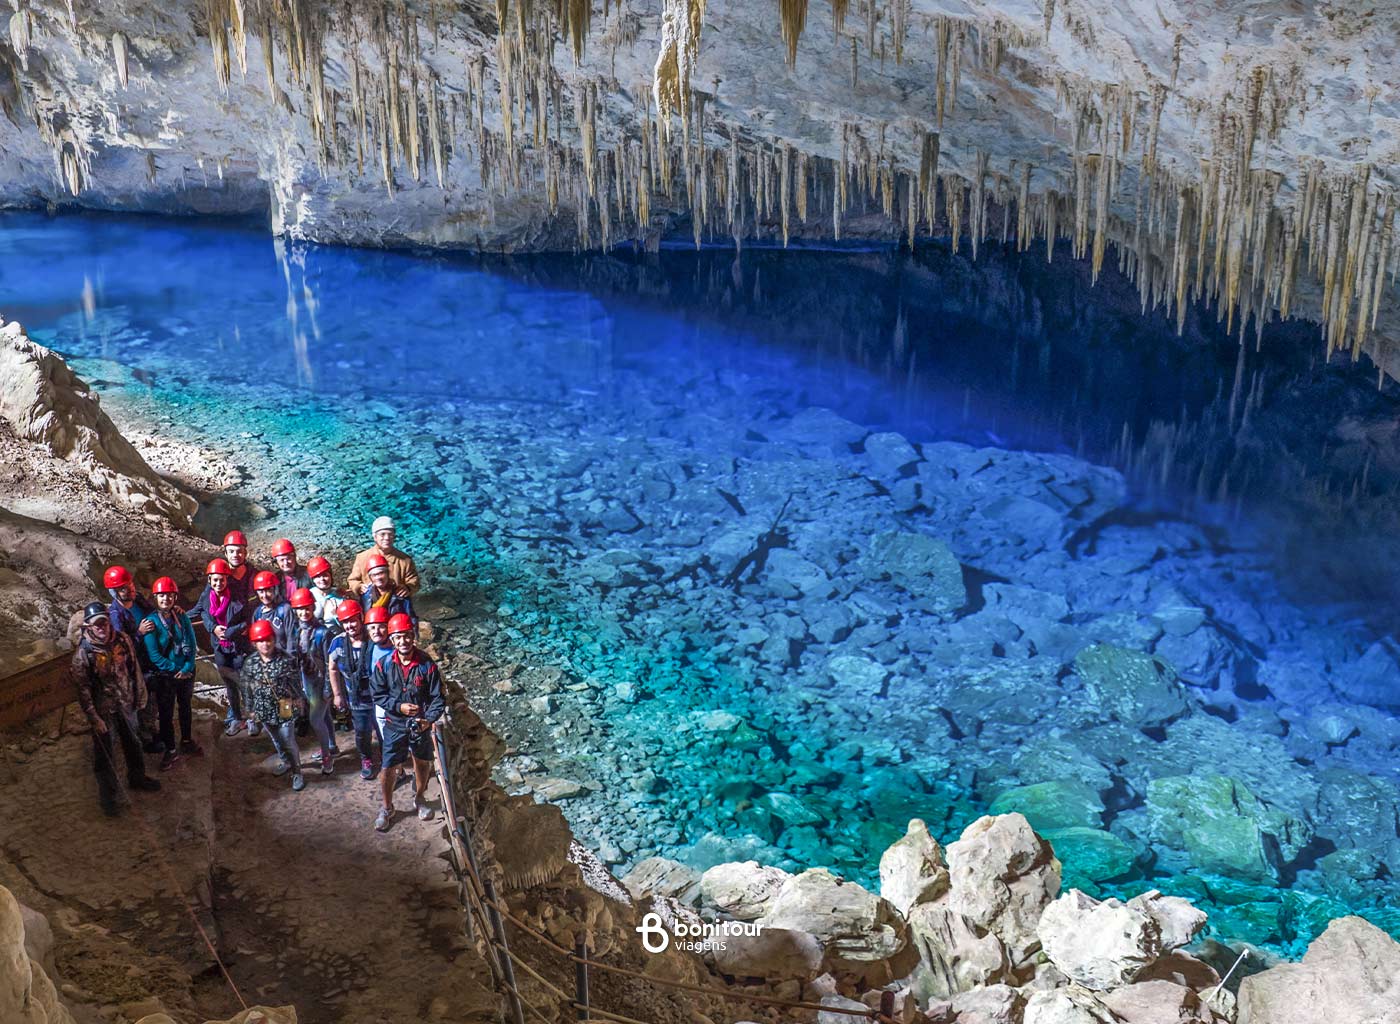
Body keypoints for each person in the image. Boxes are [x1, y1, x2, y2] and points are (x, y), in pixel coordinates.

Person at [70, 602, 161, 815]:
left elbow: (133, 668)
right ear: (89, 626)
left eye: (104, 622)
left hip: (126, 702)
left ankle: (137, 777)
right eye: (97, 624)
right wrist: (94, 718)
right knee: (105, 753)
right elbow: (83, 691)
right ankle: (108, 797)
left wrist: (140, 695)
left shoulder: (121, 639)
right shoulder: (84, 654)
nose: (102, 627)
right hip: (104, 710)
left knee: (134, 742)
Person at [371, 613, 443, 832]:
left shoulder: (426, 665)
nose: (403, 642)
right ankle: (387, 807)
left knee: (422, 763)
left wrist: (428, 720)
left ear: (413, 636)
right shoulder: (384, 665)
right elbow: (377, 694)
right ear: (392, 640)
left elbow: (438, 698)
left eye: (406, 636)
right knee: (388, 767)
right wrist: (398, 706)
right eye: (398, 638)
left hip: (419, 726)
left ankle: (420, 798)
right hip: (394, 723)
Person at [142, 577, 202, 770]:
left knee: (185, 706)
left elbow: (192, 644)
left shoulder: (181, 616)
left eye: (169, 595)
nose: (166, 599)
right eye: (162, 595)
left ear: (175, 596)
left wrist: (187, 668)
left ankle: (185, 740)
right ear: (155, 598)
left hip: (185, 671)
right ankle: (170, 749)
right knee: (166, 714)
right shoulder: (151, 623)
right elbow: (154, 655)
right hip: (166, 676)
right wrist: (178, 670)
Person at [103, 565, 162, 755]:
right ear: (114, 592)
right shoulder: (116, 615)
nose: (130, 589)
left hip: (150, 659)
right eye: (123, 588)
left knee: (152, 699)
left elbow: (154, 612)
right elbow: (121, 648)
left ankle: (152, 730)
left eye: (130, 584)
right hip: (134, 667)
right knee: (140, 701)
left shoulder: (138, 600)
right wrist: (139, 633)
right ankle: (145, 739)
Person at [241, 619, 306, 792]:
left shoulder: (286, 659)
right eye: (261, 640)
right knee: (276, 739)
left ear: (274, 639)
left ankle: (297, 771)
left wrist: (300, 702)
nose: (265, 643)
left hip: (284, 704)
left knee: (287, 738)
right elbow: (246, 687)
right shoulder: (250, 663)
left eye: (268, 639)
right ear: (255, 643)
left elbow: (295, 684)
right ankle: (285, 761)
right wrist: (250, 710)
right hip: (262, 707)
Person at [190, 557, 250, 736]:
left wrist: (231, 631)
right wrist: (213, 628)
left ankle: (252, 718)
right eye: (214, 579)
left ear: (227, 579)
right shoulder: (207, 595)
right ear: (209, 580)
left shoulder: (238, 594)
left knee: (244, 683)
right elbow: (200, 611)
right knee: (230, 685)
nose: (218, 583)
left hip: (238, 646)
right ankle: (238, 719)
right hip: (220, 649)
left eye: (221, 579)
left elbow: (248, 619)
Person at [326, 603, 382, 780]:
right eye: (345, 622)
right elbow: (333, 668)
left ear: (361, 618)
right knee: (362, 732)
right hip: (357, 699)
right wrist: (338, 695)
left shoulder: (373, 640)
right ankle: (366, 759)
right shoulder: (338, 643)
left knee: (383, 731)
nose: (350, 625)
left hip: (379, 698)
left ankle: (389, 760)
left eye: (353, 620)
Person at [289, 587, 337, 773]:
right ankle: (332, 745)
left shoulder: (322, 633)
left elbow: (329, 662)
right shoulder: (297, 630)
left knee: (316, 720)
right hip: (307, 679)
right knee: (325, 716)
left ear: (313, 607)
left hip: (319, 680)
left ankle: (327, 756)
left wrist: (328, 688)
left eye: (307, 608)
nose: (304, 612)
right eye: (300, 609)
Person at [347, 516, 420, 598]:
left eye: (390, 534)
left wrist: (408, 587)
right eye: (382, 534)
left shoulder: (405, 560)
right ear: (375, 537)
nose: (387, 538)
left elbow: (414, 581)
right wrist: (358, 587)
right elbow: (352, 580)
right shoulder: (362, 558)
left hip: (397, 603)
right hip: (371, 605)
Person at [358, 554, 416, 624]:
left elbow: (411, 618)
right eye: (374, 575)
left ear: (388, 573)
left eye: (381, 573)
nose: (378, 578)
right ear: (370, 578)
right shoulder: (365, 596)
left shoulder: (400, 594)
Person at [305, 555, 350, 628]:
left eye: (325, 575)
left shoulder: (340, 598)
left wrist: (336, 615)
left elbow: (348, 626)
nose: (322, 579)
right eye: (318, 577)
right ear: (313, 580)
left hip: (335, 636)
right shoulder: (308, 595)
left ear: (330, 576)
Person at [222, 530, 257, 606]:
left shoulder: (255, 575)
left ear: (245, 553)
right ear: (226, 554)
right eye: (231, 551)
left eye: (239, 551)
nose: (235, 555)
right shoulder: (219, 578)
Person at [270, 539, 309, 604]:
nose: (286, 563)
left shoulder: (308, 574)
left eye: (288, 559)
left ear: (295, 558)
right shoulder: (275, 579)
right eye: (282, 560)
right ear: (277, 562)